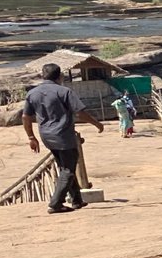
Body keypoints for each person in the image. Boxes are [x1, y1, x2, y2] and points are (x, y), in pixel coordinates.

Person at [23, 62, 103, 213]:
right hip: (63, 135)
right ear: (60, 76)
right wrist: (97, 124)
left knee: (65, 166)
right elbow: (80, 113)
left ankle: (77, 200)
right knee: (68, 169)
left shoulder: (32, 93)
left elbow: (26, 117)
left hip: (46, 135)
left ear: (42, 75)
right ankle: (56, 203)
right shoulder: (64, 92)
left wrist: (31, 137)